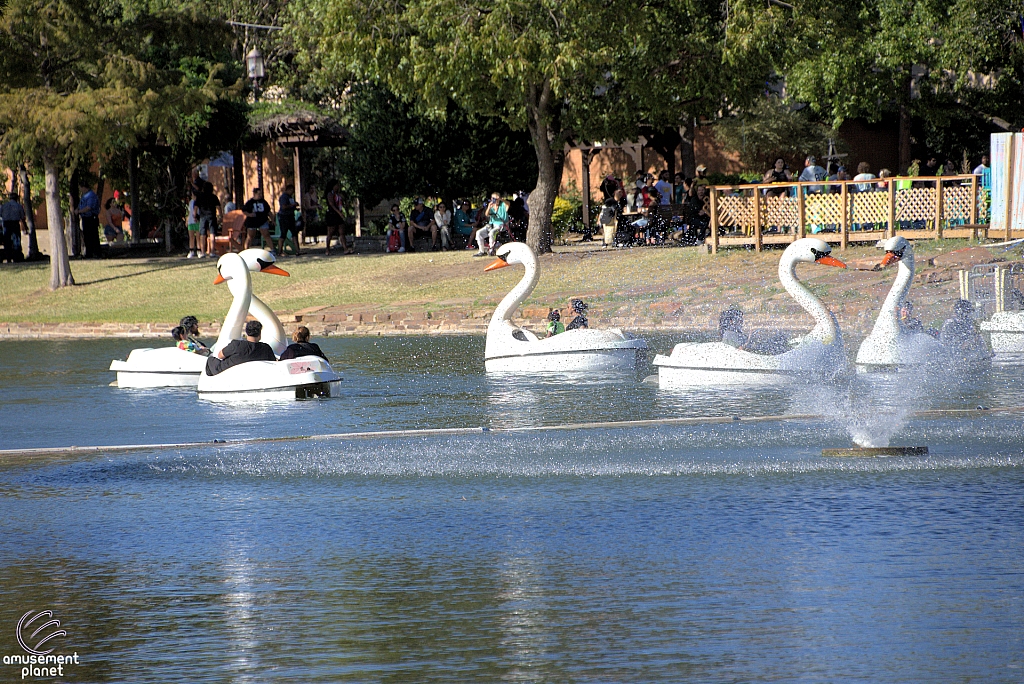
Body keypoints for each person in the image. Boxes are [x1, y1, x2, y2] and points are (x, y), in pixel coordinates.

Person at [205, 320, 276, 376]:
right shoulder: (266, 348)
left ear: (247, 332)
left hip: (228, 372)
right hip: (253, 374)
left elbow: (220, 355)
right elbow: (273, 362)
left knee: (210, 359)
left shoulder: (237, 345)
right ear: (259, 334)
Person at [73, 183, 102, 258]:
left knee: (92, 236)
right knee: (87, 236)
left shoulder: (91, 195)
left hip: (91, 218)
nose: (80, 190)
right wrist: (77, 209)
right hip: (85, 218)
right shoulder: (84, 196)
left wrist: (79, 211)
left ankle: (96, 253)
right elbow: (81, 205)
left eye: (81, 188)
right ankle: (89, 253)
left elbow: (88, 207)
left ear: (84, 187)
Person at [324, 181, 352, 255]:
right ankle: (327, 249)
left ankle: (345, 248)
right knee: (330, 232)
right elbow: (332, 205)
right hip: (332, 214)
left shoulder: (338, 194)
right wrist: (339, 213)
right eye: (336, 185)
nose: (338, 187)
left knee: (342, 232)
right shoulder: (330, 194)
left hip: (338, 214)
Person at [194, 182, 221, 257]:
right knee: (212, 233)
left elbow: (195, 208)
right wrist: (220, 216)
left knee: (202, 234)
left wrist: (195, 216)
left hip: (202, 216)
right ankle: (212, 252)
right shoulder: (214, 197)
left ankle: (202, 252)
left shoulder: (200, 196)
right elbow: (218, 207)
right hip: (212, 216)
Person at [242, 187, 272, 252]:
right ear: (254, 194)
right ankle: (246, 250)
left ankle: (272, 249)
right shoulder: (250, 202)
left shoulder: (263, 202)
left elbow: (268, 211)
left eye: (261, 193)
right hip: (252, 221)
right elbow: (244, 210)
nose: (260, 195)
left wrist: (273, 220)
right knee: (250, 236)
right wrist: (250, 214)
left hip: (262, 220)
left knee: (266, 235)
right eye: (258, 194)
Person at [0, 192, 26, 263]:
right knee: (16, 240)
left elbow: (1, 215)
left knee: (7, 241)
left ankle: (8, 258)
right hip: (15, 223)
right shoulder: (19, 206)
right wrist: (25, 227)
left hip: (6, 224)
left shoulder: (4, 206)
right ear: (16, 198)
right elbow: (22, 217)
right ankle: (16, 257)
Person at [277, 183, 300, 256]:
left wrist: (295, 206)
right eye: (292, 191)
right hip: (284, 217)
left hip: (291, 217)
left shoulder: (290, 197)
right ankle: (280, 251)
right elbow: (283, 207)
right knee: (283, 234)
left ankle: (297, 250)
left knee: (294, 233)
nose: (292, 193)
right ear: (288, 190)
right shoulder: (284, 197)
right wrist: (292, 205)